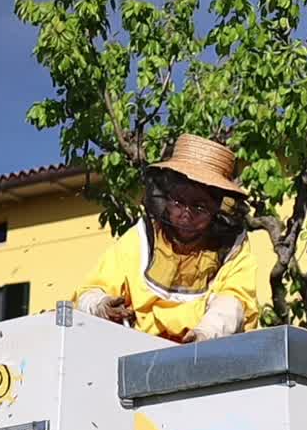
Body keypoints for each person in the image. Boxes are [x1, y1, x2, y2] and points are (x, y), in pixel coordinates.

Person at [75, 134, 258, 343]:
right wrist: (101, 305)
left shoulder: (233, 247)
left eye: (199, 206)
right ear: (165, 197)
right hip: (138, 353)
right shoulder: (142, 237)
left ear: (217, 210)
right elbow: (90, 291)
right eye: (179, 201)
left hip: (207, 355)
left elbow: (233, 302)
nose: (186, 213)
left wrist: (205, 334)